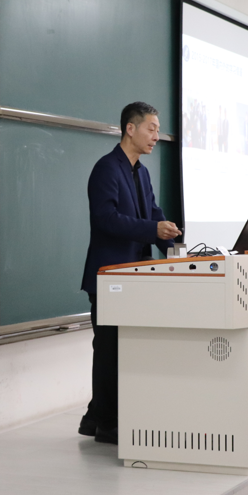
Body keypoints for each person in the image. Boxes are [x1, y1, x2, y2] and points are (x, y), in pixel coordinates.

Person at [78, 102, 180, 444]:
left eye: (158, 130)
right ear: (130, 129)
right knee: (109, 351)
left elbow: (154, 214)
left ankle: (94, 417)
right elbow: (105, 219)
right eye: (151, 129)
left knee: (122, 350)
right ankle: (107, 424)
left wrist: (177, 251)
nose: (156, 136)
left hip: (133, 277)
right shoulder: (107, 168)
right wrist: (153, 229)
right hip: (110, 277)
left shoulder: (141, 172)